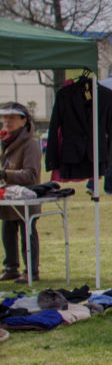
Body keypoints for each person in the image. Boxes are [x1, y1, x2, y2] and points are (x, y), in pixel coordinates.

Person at [0, 102, 41, 283]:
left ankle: (31, 271)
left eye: (12, 117)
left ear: (23, 121)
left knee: (28, 233)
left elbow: (31, 174)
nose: (7, 121)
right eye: (5, 117)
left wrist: (5, 174)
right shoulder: (5, 142)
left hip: (26, 196)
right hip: (8, 197)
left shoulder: (30, 145)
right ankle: (11, 268)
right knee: (7, 231)